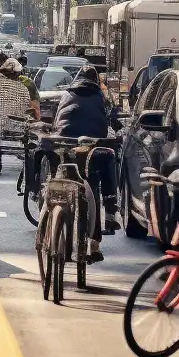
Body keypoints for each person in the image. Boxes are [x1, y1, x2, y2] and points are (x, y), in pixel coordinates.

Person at [53, 66, 122, 233]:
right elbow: (111, 119)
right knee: (108, 158)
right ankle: (110, 209)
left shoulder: (67, 94)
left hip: (67, 141)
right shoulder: (100, 96)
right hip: (94, 143)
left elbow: (57, 121)